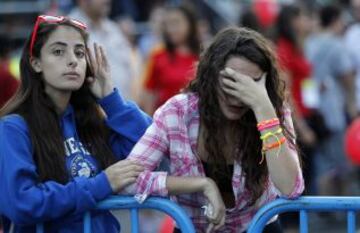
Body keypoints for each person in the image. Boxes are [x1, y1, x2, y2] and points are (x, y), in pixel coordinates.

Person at [123, 27, 304, 233]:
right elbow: (129, 180)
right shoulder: (178, 112)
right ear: (211, 76)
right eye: (231, 81)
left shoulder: (271, 110)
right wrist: (201, 184)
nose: (238, 94)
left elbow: (291, 188)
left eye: (250, 84)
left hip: (258, 228)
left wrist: (263, 109)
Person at [0, 15, 151, 233]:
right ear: (36, 63)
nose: (72, 60)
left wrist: (111, 99)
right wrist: (101, 184)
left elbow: (151, 147)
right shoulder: (13, 128)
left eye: (79, 53)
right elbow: (22, 203)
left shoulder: (90, 123)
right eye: (58, 51)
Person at [140, 4, 200, 115]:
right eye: (168, 24)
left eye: (176, 23)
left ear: (190, 24)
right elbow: (148, 93)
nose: (171, 29)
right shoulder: (158, 55)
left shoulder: (203, 56)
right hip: (164, 122)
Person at [69, 0, 135, 100]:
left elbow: (130, 68)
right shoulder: (69, 28)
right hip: (90, 110)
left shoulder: (114, 29)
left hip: (121, 107)